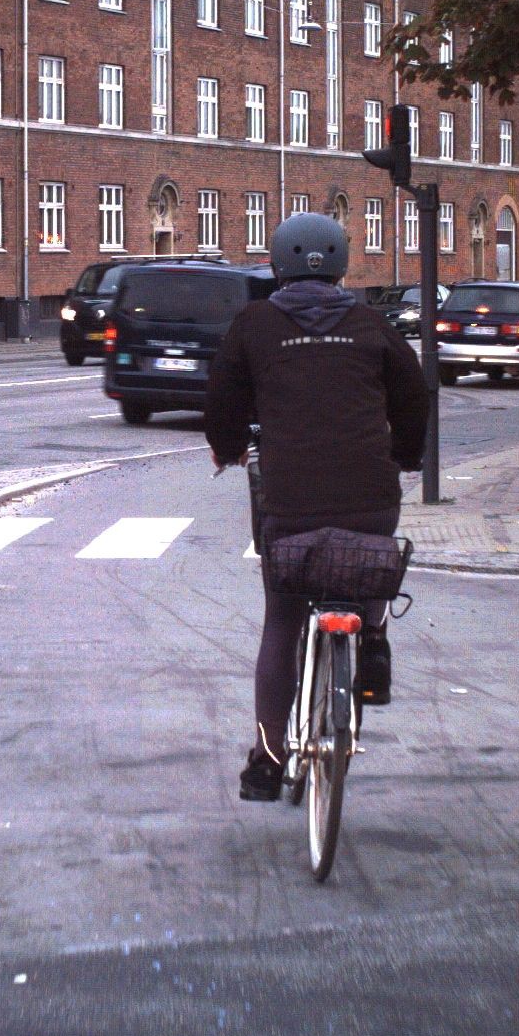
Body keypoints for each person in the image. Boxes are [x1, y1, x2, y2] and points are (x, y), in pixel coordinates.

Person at [205, 213, 431, 801]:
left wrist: (228, 447)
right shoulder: (372, 324)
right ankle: (372, 636)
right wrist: (406, 454)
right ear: (342, 266)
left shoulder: (254, 324)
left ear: (276, 264)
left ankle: (268, 758)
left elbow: (222, 398)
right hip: (370, 495)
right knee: (367, 554)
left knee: (282, 618)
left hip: (290, 501)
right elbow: (413, 394)